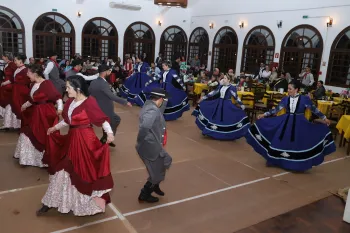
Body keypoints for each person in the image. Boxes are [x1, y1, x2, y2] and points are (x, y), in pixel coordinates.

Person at [37, 75, 114, 216]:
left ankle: (86, 205)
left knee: (83, 172)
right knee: (63, 169)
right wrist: (54, 128)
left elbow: (102, 119)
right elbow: (68, 121)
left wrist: (109, 133)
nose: (66, 90)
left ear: (78, 89)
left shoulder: (89, 102)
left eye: (68, 88)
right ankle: (50, 201)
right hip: (72, 139)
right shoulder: (70, 102)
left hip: (85, 141)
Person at [245, 80, 336, 172]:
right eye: (288, 89)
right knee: (280, 140)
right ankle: (276, 160)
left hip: (299, 123)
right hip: (286, 122)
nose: (288, 90)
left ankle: (295, 164)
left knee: (297, 143)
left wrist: (324, 118)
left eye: (290, 89)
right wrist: (264, 114)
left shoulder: (304, 99)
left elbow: (314, 110)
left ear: (296, 89)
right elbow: (276, 110)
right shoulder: (285, 99)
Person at [14, 64, 62, 167]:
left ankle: (43, 159)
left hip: (45, 113)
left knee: (43, 135)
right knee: (28, 132)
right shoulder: (32, 84)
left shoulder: (47, 83)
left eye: (28, 72)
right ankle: (29, 158)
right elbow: (32, 99)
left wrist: (60, 108)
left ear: (35, 73)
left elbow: (58, 97)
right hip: (35, 112)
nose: (27, 74)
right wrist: (25, 105)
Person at [136, 87, 172, 203]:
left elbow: (159, 112)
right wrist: (140, 140)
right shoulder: (152, 110)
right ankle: (144, 194)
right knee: (155, 173)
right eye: (163, 100)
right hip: (150, 146)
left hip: (153, 144)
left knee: (166, 160)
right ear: (160, 99)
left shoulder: (150, 106)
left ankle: (155, 184)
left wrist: (165, 99)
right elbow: (145, 127)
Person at [192, 75, 249, 140]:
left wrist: (241, 105)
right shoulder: (221, 86)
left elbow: (236, 97)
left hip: (227, 105)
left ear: (229, 80)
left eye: (225, 78)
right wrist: (203, 98)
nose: (223, 79)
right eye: (223, 78)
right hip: (219, 103)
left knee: (225, 119)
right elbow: (213, 92)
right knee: (215, 117)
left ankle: (223, 134)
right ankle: (210, 131)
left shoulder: (231, 88)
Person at [89, 64, 132, 147]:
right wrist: (125, 102)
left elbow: (90, 93)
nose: (110, 72)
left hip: (98, 107)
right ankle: (107, 138)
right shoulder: (103, 84)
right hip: (106, 109)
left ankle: (106, 137)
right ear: (105, 72)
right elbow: (112, 96)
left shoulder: (93, 82)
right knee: (115, 120)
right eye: (109, 71)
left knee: (110, 122)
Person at [11, 54, 31, 121]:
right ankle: (18, 124)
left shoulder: (26, 70)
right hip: (16, 90)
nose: (15, 62)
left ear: (20, 60)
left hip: (22, 91)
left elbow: (30, 80)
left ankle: (24, 123)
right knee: (16, 105)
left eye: (15, 60)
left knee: (21, 106)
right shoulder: (17, 69)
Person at [0, 52, 17, 120]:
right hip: (5, 84)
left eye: (3, 56)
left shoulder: (12, 64)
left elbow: (14, 76)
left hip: (9, 85)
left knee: (8, 100)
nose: (2, 58)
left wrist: (6, 82)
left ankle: (10, 118)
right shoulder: (7, 64)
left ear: (6, 57)